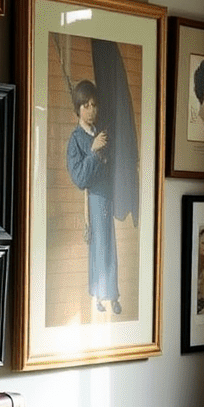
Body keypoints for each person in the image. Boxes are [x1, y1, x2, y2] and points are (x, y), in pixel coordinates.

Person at [66, 79, 121, 316]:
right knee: (99, 248)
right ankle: (99, 295)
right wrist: (93, 151)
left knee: (110, 247)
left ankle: (113, 294)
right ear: (78, 108)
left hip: (107, 196)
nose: (91, 110)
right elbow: (79, 178)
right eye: (86, 105)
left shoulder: (101, 134)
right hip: (93, 199)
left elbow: (111, 167)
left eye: (94, 105)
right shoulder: (76, 140)